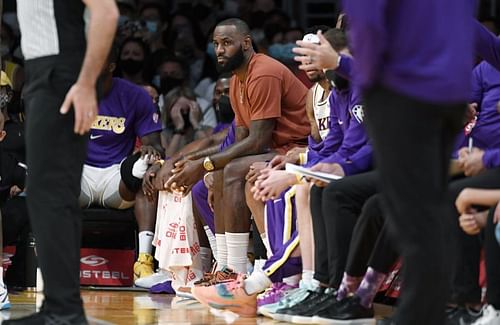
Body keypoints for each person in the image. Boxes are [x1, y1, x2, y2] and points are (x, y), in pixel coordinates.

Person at [300, 2, 474, 324]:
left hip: (422, 114)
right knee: (392, 208)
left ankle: (416, 309)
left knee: (409, 210)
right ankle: (356, 294)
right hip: (426, 100)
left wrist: (340, 62)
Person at [6, 1, 118, 324]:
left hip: (62, 73)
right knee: (51, 194)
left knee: (49, 192)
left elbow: (106, 13)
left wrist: (85, 84)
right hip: (46, 72)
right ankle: (61, 307)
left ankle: (63, 310)